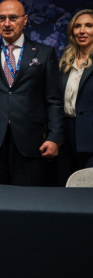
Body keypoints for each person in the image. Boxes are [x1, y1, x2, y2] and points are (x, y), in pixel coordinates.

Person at [0, 0, 64, 185]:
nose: (7, 23)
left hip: (31, 140)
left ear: (25, 20)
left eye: (13, 18)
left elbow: (54, 101)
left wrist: (55, 137)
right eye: (1, 18)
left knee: (28, 198)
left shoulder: (44, 53)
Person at [58, 9, 93, 185]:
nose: (82, 31)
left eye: (88, 26)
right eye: (77, 26)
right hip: (65, 136)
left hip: (90, 136)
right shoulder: (65, 62)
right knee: (65, 188)